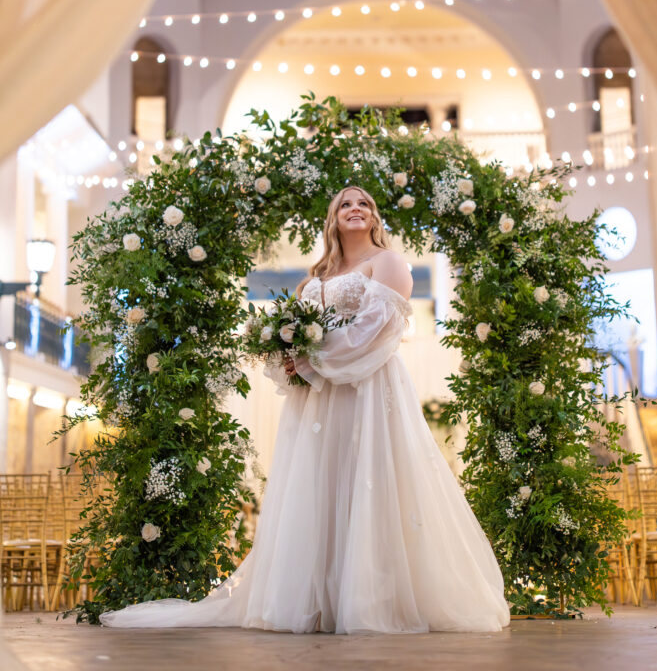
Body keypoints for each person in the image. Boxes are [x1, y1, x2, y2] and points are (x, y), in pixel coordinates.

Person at [102, 186, 510, 633]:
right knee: (323, 485)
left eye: (364, 205)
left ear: (374, 219)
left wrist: (313, 361)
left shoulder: (389, 263)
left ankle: (370, 600)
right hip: (318, 401)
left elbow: (377, 329)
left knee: (368, 481)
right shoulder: (312, 278)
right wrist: (289, 361)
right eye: (345, 205)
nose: (356, 209)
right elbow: (291, 340)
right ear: (334, 219)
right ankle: (319, 600)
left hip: (368, 387)